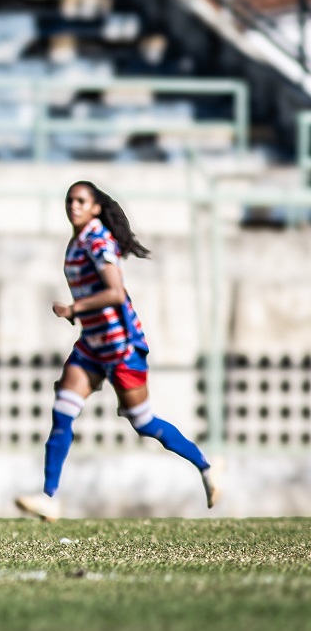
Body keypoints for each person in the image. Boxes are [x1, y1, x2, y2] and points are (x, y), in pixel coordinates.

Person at [15, 181, 219, 521]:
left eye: (81, 201)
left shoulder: (97, 239)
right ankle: (49, 497)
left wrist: (75, 308)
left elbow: (115, 292)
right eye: (70, 200)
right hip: (93, 344)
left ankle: (207, 466)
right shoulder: (78, 240)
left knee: (144, 423)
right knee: (63, 409)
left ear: (96, 208)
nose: (73, 206)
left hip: (121, 346)